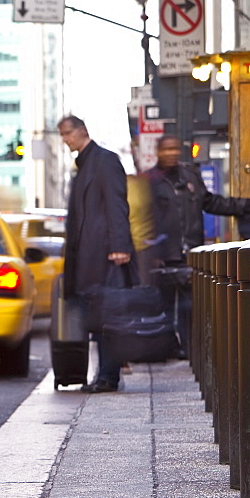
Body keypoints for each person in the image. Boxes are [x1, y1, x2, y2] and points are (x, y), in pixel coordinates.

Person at [143, 134, 250, 359]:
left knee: (190, 308)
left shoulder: (191, 175)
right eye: (166, 149)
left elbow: (210, 202)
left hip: (191, 253)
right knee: (163, 306)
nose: (171, 153)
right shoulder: (150, 181)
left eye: (174, 149)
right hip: (163, 255)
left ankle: (189, 349)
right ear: (158, 152)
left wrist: (242, 206)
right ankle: (168, 346)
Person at [58, 115, 135, 393]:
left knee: (107, 317)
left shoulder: (105, 160)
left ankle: (108, 376)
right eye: (62, 135)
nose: (65, 139)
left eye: (67, 133)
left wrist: (120, 246)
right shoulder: (84, 165)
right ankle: (103, 374)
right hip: (88, 256)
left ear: (82, 131)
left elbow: (117, 205)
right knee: (96, 316)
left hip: (104, 254)